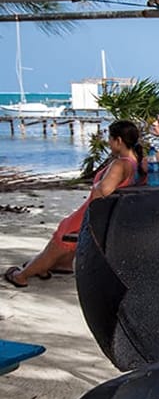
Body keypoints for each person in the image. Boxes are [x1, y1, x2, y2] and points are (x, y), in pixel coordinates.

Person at [4, 120, 143, 288]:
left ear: (118, 141)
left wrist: (97, 186)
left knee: (61, 237)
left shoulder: (120, 164)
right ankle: (56, 265)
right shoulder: (136, 161)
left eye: (110, 138)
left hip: (91, 214)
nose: (108, 142)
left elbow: (103, 191)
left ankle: (21, 276)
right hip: (105, 215)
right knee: (63, 239)